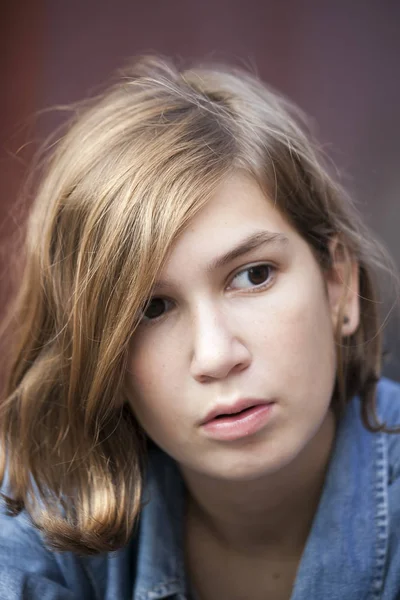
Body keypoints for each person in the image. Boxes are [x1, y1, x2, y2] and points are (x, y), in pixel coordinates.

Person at [0, 55, 400, 600]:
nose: (216, 356)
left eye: (254, 276)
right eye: (151, 309)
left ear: (339, 286)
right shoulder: (44, 514)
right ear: (99, 357)